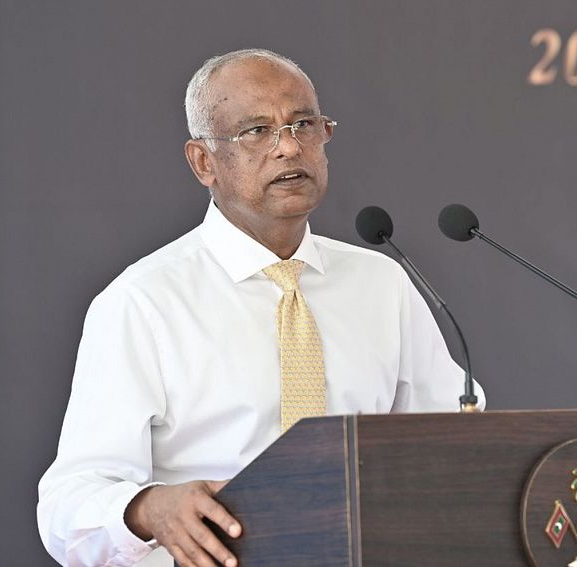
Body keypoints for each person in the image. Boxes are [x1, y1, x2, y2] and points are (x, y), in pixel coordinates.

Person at [37, 48, 483, 567]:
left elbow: (454, 447)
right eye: (256, 131)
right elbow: (68, 505)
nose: (289, 147)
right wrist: (148, 508)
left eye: (304, 125)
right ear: (204, 162)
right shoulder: (144, 302)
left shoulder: (381, 283)